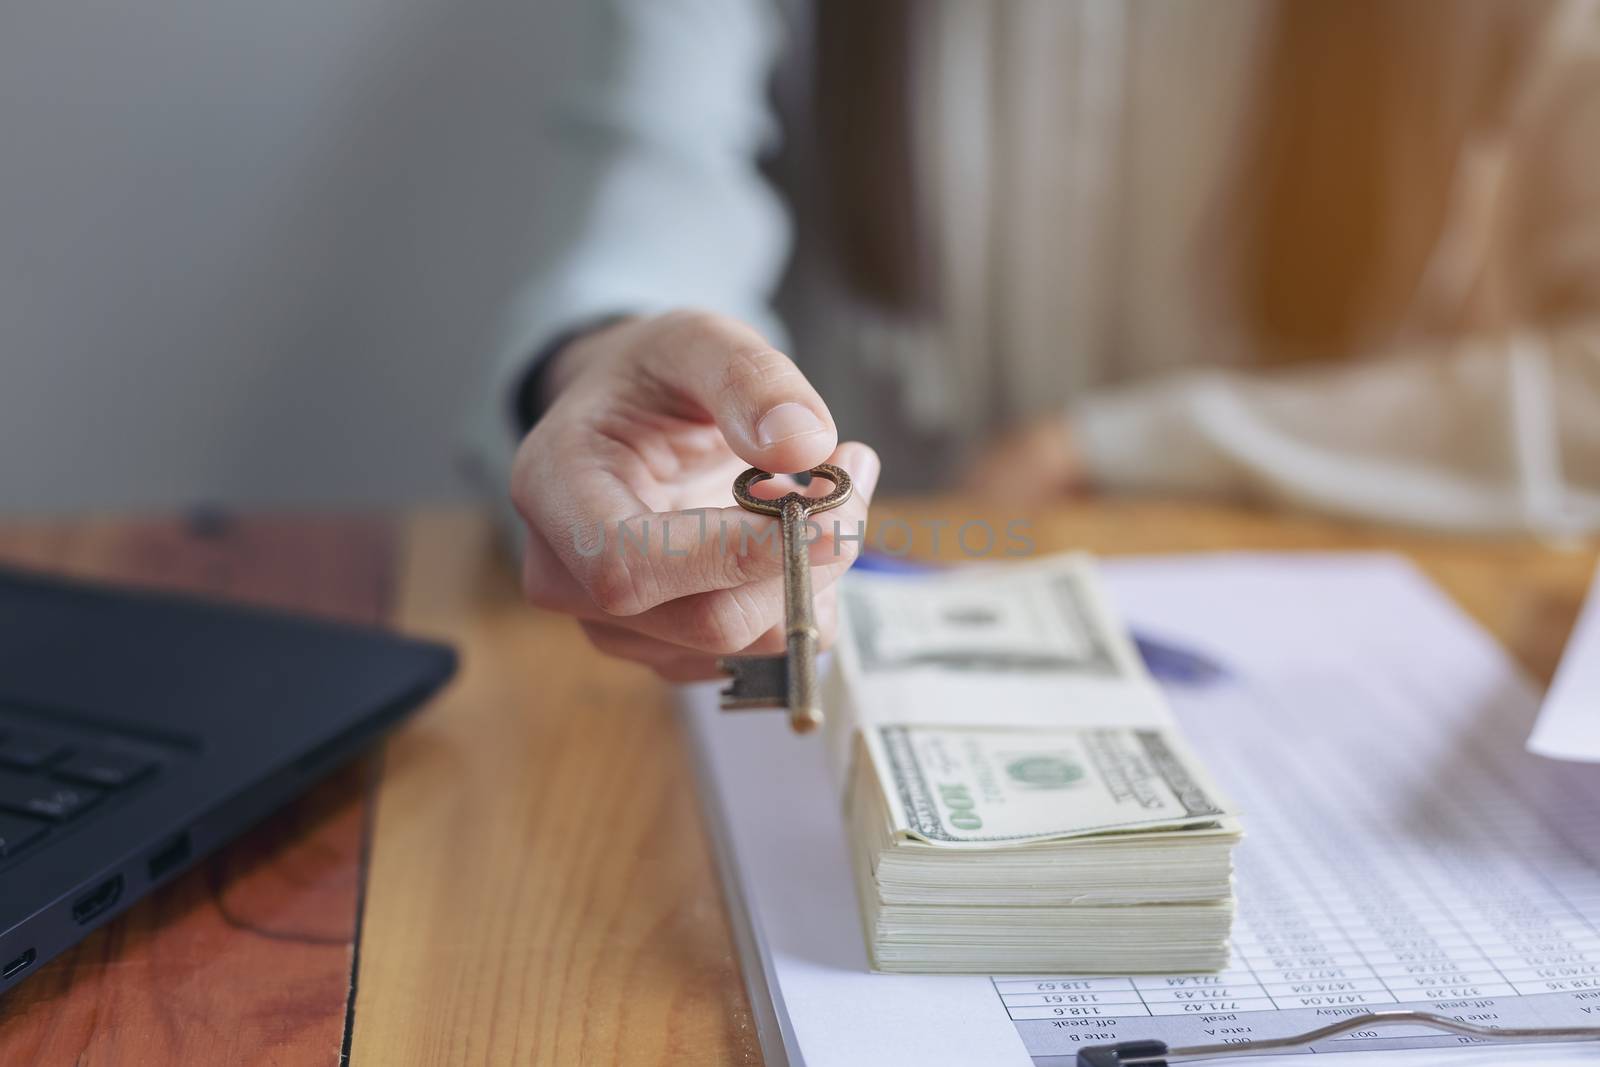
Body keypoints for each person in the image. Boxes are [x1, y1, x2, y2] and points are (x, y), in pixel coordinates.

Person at [476, 0, 1600, 681]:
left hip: (1340, 610)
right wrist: (598, 364)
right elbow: (647, 200)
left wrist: (1117, 447)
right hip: (867, 594)